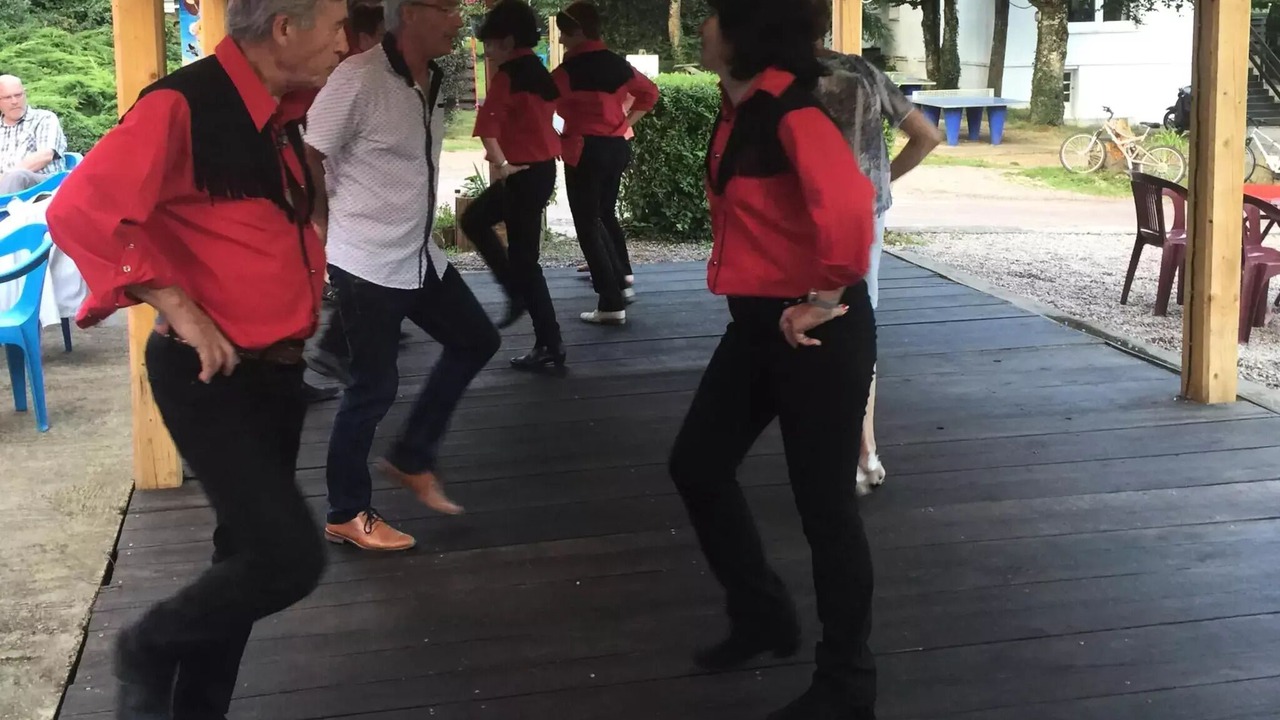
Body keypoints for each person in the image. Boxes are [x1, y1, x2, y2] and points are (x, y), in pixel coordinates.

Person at [43, 1, 349, 717]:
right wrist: (176, 302)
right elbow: (78, 210)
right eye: (336, 24)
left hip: (273, 372)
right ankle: (147, 644)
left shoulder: (276, 113)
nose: (348, 40)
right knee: (288, 559)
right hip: (210, 376)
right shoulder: (183, 104)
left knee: (241, 563)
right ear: (284, 27)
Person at [667, 0, 880, 718]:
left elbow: (850, 208)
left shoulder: (790, 109)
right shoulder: (744, 108)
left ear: (741, 32)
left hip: (816, 330)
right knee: (697, 463)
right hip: (762, 324)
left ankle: (847, 685)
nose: (702, 27)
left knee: (825, 511)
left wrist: (822, 295)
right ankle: (761, 615)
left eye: (712, 15)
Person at [305, 0, 497, 552]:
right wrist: (321, 222)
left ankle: (412, 457)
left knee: (476, 339)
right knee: (372, 387)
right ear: (411, 12)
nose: (459, 21)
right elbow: (308, 151)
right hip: (366, 260)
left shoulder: (430, 77)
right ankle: (346, 512)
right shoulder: (358, 77)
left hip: (417, 256)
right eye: (450, 9)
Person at [811, 2, 941, 496]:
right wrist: (881, 183)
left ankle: (837, 452)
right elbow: (927, 135)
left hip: (808, 220)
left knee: (814, 326)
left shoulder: (780, 80)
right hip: (866, 215)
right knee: (859, 327)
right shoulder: (862, 71)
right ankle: (866, 449)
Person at [461, 0, 566, 369]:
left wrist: (502, 164)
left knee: (524, 263)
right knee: (480, 225)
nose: (487, 51)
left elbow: (487, 128)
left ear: (506, 41)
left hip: (521, 174)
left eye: (489, 43)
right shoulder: (541, 73)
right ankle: (522, 302)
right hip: (542, 172)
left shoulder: (507, 75)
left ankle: (547, 340)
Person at [552, 1, 658, 325]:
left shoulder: (565, 72)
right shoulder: (618, 65)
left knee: (587, 224)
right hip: (616, 147)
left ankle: (610, 302)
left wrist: (556, 140)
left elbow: (540, 108)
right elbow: (650, 94)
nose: (560, 41)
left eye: (564, 34)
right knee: (603, 214)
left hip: (584, 149)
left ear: (579, 32)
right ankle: (622, 281)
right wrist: (626, 121)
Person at [0, 74, 68, 194]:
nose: (15, 101)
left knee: (16, 177)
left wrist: (5, 177)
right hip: (5, 188)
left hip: (44, 186)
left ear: (24, 94)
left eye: (18, 95)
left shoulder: (44, 118)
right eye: (7, 97)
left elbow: (45, 155)